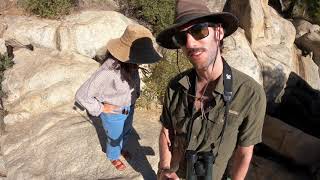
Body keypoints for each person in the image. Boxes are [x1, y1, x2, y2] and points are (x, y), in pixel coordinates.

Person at [156, 0, 266, 179]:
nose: (190, 44)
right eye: (182, 38)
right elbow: (166, 131)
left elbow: (244, 153)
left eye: (199, 30)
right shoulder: (175, 87)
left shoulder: (250, 94)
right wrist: (164, 168)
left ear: (219, 32)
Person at [75, 24, 161, 171]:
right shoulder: (108, 71)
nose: (141, 60)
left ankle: (120, 148)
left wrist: (136, 95)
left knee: (126, 131)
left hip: (129, 107)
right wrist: (102, 108)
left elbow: (134, 82)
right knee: (114, 138)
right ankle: (113, 156)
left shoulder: (131, 64)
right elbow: (81, 95)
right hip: (114, 113)